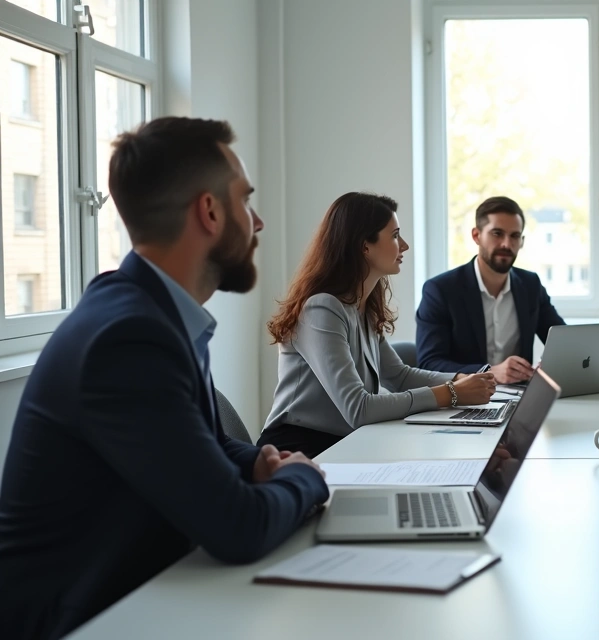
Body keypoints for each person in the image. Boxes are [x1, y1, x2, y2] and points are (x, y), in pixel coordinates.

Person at [0, 117, 330, 639]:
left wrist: (266, 461)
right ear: (211, 210)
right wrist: (305, 478)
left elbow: (207, 444)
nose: (259, 220)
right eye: (246, 200)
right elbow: (238, 527)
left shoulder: (145, 310)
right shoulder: (128, 337)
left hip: (142, 597)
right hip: (83, 622)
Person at [260, 192, 496, 459]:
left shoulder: (363, 307)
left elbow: (399, 376)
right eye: (395, 235)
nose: (404, 245)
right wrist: (451, 393)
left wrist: (459, 380)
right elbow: (358, 408)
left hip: (347, 442)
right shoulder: (321, 308)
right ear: (364, 246)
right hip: (298, 451)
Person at [416, 196, 565, 383]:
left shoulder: (531, 285)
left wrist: (553, 364)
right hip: (463, 401)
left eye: (514, 236)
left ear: (522, 241)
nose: (506, 244)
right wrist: (490, 372)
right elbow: (429, 363)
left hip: (520, 397)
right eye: (497, 233)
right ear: (476, 236)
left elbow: (563, 342)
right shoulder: (440, 290)